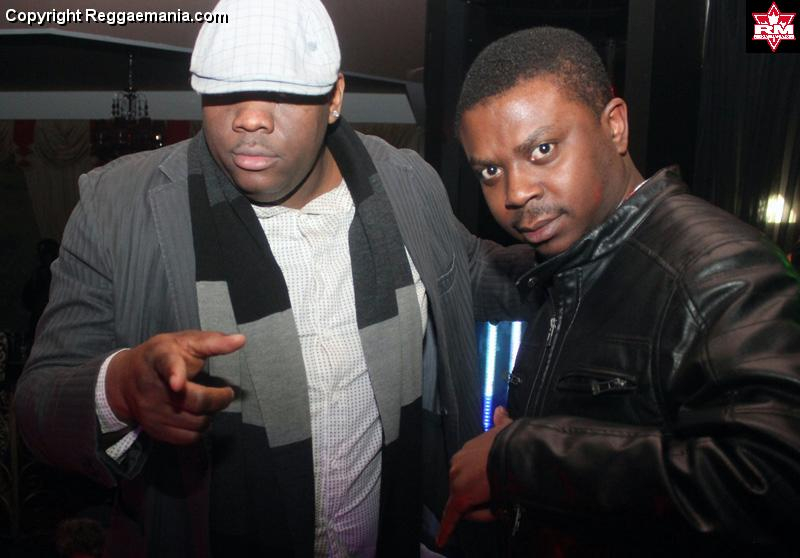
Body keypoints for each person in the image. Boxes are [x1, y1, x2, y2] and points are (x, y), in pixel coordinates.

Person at [14, 1, 532, 557]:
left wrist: (583, 248)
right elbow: (38, 404)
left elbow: (474, 272)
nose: (250, 119)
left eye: (282, 92)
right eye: (225, 91)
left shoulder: (405, 181)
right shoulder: (116, 204)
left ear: (334, 97)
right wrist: (120, 389)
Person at [437, 26, 800, 556]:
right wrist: (526, 494)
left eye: (542, 149)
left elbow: (775, 482)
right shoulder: (573, 260)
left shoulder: (715, 267)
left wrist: (520, 459)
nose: (515, 193)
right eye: (491, 170)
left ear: (615, 127)